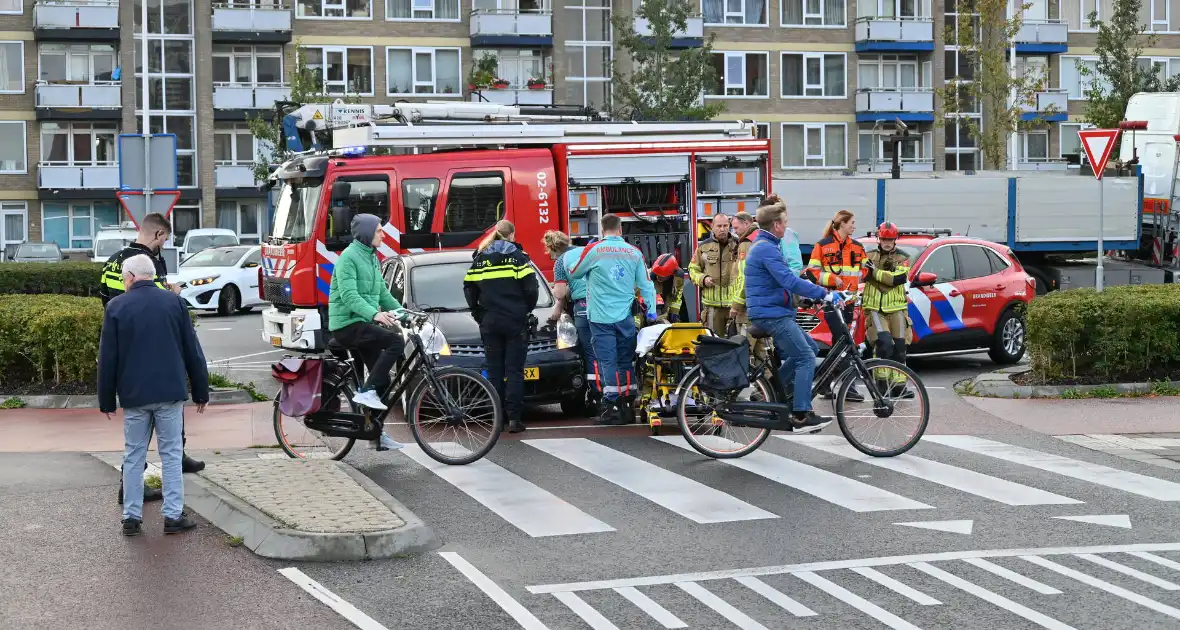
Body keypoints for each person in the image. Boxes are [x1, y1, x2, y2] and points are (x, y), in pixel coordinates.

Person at [98, 212, 202, 507]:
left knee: (137, 441)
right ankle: (147, 494)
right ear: (157, 235)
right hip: (155, 352)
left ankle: (137, 497)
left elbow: (110, 299)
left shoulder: (113, 260)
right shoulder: (143, 263)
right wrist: (173, 295)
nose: (164, 244)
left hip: (128, 356)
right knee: (153, 437)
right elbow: (139, 303)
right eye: (165, 238)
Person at [745, 203, 834, 431]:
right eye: (785, 222)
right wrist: (825, 293)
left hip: (774, 310)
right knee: (805, 357)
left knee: (811, 348)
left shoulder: (767, 245)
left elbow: (778, 283)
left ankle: (773, 389)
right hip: (771, 315)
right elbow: (789, 280)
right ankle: (801, 415)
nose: (786, 226)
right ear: (776, 225)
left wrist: (803, 299)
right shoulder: (766, 248)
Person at [327, 213, 406, 452]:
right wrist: (375, 314)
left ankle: (376, 435)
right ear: (367, 233)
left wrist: (404, 311)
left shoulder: (372, 257)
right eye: (379, 230)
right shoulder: (348, 259)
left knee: (383, 380)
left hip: (363, 324)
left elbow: (383, 294)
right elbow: (350, 296)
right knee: (395, 341)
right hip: (347, 325)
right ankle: (365, 392)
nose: (383, 234)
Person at [569, 213, 656, 425]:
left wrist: (585, 257)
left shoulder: (595, 250)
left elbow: (575, 273)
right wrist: (651, 311)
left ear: (602, 229)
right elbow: (646, 284)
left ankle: (612, 407)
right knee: (626, 360)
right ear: (620, 230)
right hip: (625, 316)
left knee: (607, 361)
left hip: (600, 317)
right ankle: (627, 406)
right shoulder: (633, 253)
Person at [464, 220, 539, 434]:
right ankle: (514, 419)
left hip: (490, 321)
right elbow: (531, 288)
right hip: (515, 320)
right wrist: (525, 308)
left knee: (494, 370)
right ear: (512, 235)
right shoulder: (517, 257)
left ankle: (496, 419)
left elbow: (468, 287)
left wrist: (478, 313)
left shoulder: (480, 258)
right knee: (514, 371)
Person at [805, 209, 866, 402]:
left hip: (850, 302)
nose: (854, 226)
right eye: (852, 222)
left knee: (840, 343)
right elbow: (812, 272)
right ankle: (849, 387)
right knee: (844, 341)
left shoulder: (857, 247)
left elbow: (867, 269)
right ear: (842, 224)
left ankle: (824, 383)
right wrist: (832, 279)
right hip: (832, 301)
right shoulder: (822, 246)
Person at [861, 222, 914, 398]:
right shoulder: (868, 255)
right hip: (875, 308)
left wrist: (875, 274)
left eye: (890, 239)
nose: (887, 242)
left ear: (895, 239)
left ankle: (899, 388)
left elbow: (897, 279)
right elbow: (868, 276)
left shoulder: (904, 256)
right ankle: (881, 388)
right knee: (883, 345)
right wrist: (885, 277)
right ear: (879, 238)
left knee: (900, 348)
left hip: (897, 308)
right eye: (884, 238)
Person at [551, 233, 600, 407]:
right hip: (604, 305)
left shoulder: (561, 261)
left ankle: (596, 395)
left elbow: (560, 293)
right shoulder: (587, 251)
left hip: (583, 307)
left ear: (554, 249)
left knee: (589, 352)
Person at [688, 213, 739, 335]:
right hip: (712, 308)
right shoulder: (703, 247)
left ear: (729, 226)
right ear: (712, 227)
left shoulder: (739, 245)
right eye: (719, 226)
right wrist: (703, 279)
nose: (722, 229)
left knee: (738, 343)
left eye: (725, 225)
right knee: (714, 342)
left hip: (735, 306)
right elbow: (693, 269)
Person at [648, 253, 685, 323]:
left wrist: (674, 312)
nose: (659, 277)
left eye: (662, 276)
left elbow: (677, 297)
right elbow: (639, 296)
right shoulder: (648, 276)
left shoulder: (678, 277)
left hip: (666, 304)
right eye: (657, 275)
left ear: (671, 273)